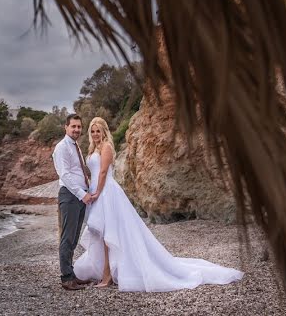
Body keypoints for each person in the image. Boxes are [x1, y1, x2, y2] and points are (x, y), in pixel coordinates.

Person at [73, 116, 244, 290]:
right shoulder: (94, 148)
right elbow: (93, 173)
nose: (95, 134)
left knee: (109, 235)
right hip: (97, 192)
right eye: (93, 131)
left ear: (104, 132)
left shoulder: (107, 147)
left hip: (105, 193)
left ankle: (108, 275)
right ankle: (106, 271)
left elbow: (102, 173)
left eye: (98, 131)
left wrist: (96, 193)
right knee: (102, 235)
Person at [52, 113, 95, 290]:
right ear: (66, 127)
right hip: (70, 196)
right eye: (73, 126)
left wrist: (88, 190)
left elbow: (78, 171)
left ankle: (71, 274)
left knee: (74, 237)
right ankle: (66, 278)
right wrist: (80, 193)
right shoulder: (62, 147)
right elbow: (65, 175)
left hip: (79, 196)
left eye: (79, 126)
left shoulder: (75, 145)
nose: (76, 129)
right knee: (67, 238)